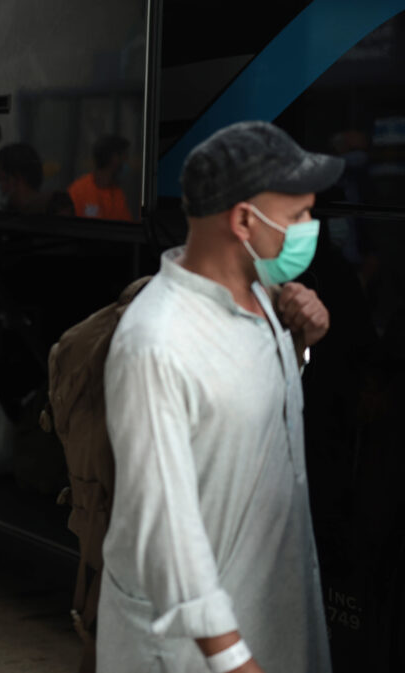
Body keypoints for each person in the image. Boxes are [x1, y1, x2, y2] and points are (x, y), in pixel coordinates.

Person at [99, 121, 343, 673]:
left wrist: (300, 348)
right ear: (242, 220)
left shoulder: (262, 298)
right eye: (300, 214)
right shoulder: (156, 343)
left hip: (271, 617)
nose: (311, 227)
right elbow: (164, 524)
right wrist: (232, 658)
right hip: (199, 651)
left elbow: (241, 413)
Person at [68, 135, 133, 221]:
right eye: (124, 157)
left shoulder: (117, 194)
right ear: (114, 158)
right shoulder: (78, 191)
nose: (126, 161)